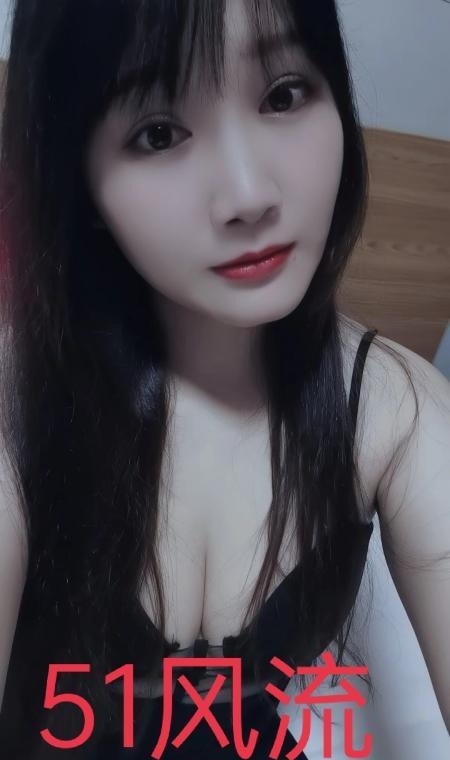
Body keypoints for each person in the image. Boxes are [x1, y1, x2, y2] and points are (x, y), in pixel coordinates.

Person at [0, 0, 448, 758]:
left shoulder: (397, 411)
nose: (248, 195)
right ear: (80, 177)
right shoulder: (19, 401)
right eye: (158, 133)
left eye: (284, 94)